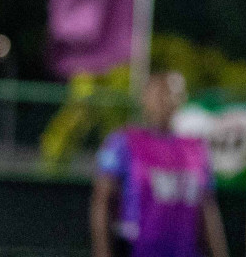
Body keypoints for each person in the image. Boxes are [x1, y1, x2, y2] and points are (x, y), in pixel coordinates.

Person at [91, 71, 229, 257]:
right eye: (159, 93)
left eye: (173, 93)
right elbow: (102, 202)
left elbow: (207, 210)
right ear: (145, 97)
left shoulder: (196, 148)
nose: (165, 101)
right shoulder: (124, 142)